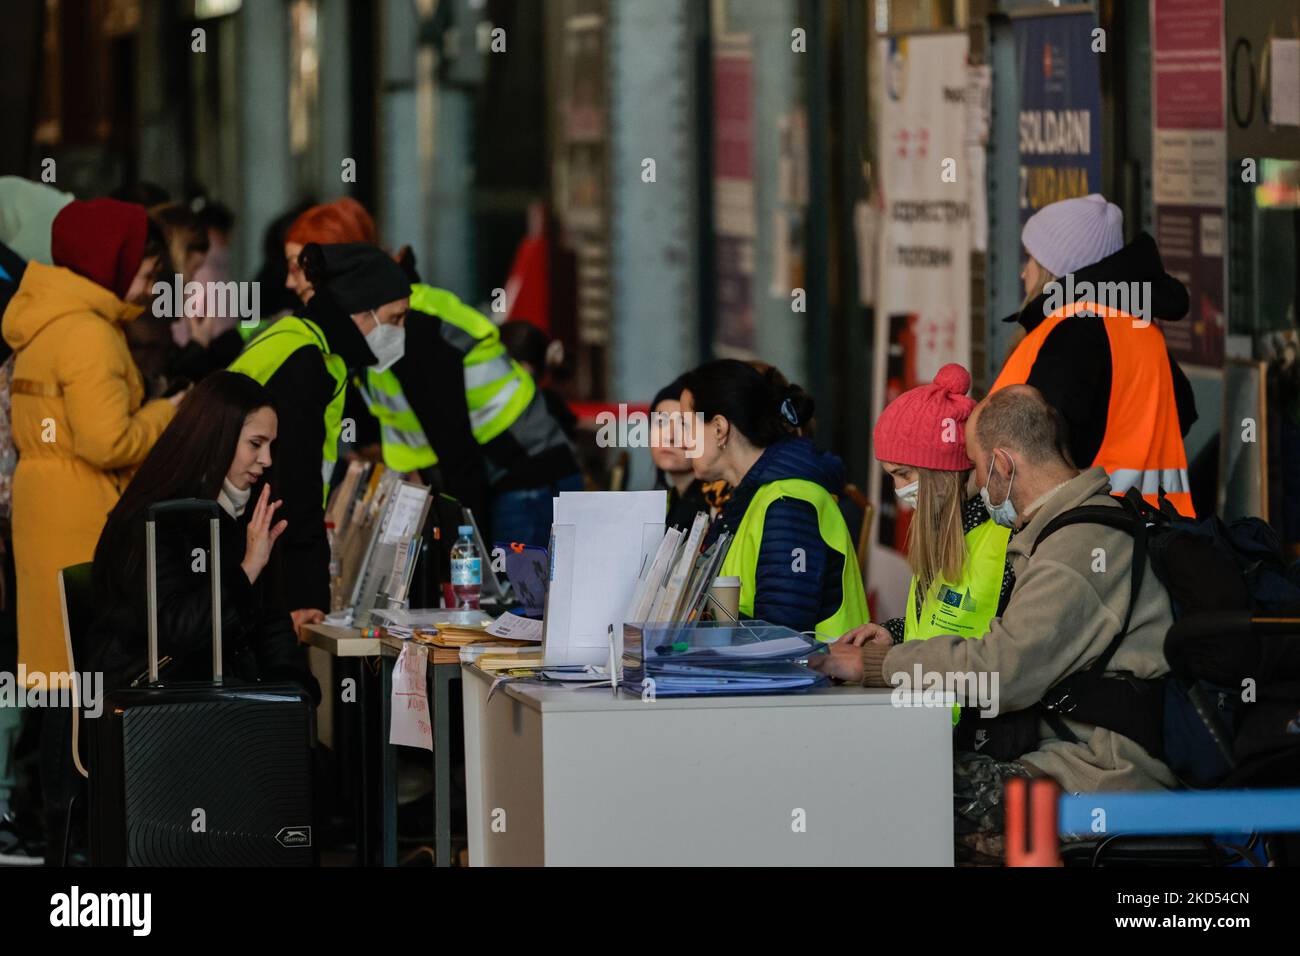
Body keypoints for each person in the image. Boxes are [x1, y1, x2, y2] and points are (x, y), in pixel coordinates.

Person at [813, 385, 1177, 864]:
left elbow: (1001, 669)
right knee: (891, 784)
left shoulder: (1077, 548)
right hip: (1054, 752)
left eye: (977, 467)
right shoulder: (1055, 532)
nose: (976, 486)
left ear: (1003, 465)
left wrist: (879, 664)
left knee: (893, 797)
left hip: (1099, 775)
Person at [282, 199, 582, 544]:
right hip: (488, 477)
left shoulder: (403, 324)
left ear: (339, 261)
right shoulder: (367, 321)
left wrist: (465, 557)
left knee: (508, 595)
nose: (290, 282)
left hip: (525, 476)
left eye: (296, 266)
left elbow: (458, 454)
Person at [3, 198, 180, 682]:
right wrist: (168, 412)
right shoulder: (90, 334)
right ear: (113, 265)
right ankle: (80, 763)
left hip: (43, 509)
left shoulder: (46, 321)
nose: (148, 290)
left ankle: (66, 760)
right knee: (88, 678)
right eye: (145, 274)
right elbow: (106, 443)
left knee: (60, 681)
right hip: (82, 514)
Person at [87, 371, 320, 703]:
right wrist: (247, 570)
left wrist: (292, 689)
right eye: (255, 444)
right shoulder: (153, 521)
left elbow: (270, 618)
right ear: (217, 437)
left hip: (212, 701)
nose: (266, 460)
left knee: (310, 751)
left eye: (271, 446)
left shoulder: (242, 515)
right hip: (152, 709)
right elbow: (178, 633)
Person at [229, 241, 411, 636]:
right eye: (395, 319)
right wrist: (305, 597)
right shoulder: (305, 359)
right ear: (362, 311)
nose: (400, 332)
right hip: (247, 544)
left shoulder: (310, 344)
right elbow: (293, 484)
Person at [992, 193, 1198, 515]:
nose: (1024, 272)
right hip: (1153, 528)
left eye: (1030, 258)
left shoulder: (1074, 331)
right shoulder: (1135, 323)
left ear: (1053, 270)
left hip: (1085, 530)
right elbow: (1182, 410)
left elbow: (1039, 443)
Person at [680, 359, 867, 637]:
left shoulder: (789, 503)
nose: (682, 441)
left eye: (687, 425)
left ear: (719, 428)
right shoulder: (751, 497)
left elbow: (783, 637)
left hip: (820, 678)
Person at [859, 364, 1011, 647]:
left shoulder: (1009, 532)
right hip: (928, 688)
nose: (899, 489)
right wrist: (893, 633)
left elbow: (1011, 652)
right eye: (891, 475)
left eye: (904, 474)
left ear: (944, 469)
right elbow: (933, 626)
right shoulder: (942, 521)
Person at [649, 375, 728, 532]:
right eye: (660, 422)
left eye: (684, 424)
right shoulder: (668, 501)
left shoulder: (717, 504)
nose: (670, 436)